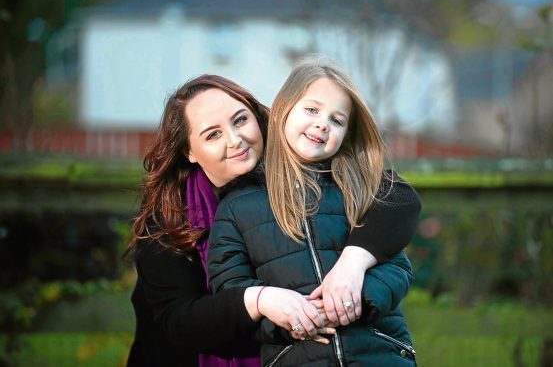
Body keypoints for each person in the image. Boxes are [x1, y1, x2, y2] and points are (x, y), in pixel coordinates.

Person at [126, 74, 420, 367]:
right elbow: (181, 323)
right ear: (188, 151)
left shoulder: (303, 166)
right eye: (212, 134)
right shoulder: (167, 221)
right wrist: (260, 300)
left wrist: (350, 267)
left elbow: (398, 198)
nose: (235, 139)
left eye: (240, 120)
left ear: (258, 117)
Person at [208, 58, 418, 366]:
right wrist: (284, 315)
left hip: (378, 353)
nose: (323, 123)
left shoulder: (358, 187)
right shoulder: (239, 204)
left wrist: (354, 298)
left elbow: (398, 267)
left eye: (337, 120)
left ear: (347, 134)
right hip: (295, 357)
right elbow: (229, 286)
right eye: (311, 109)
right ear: (283, 110)